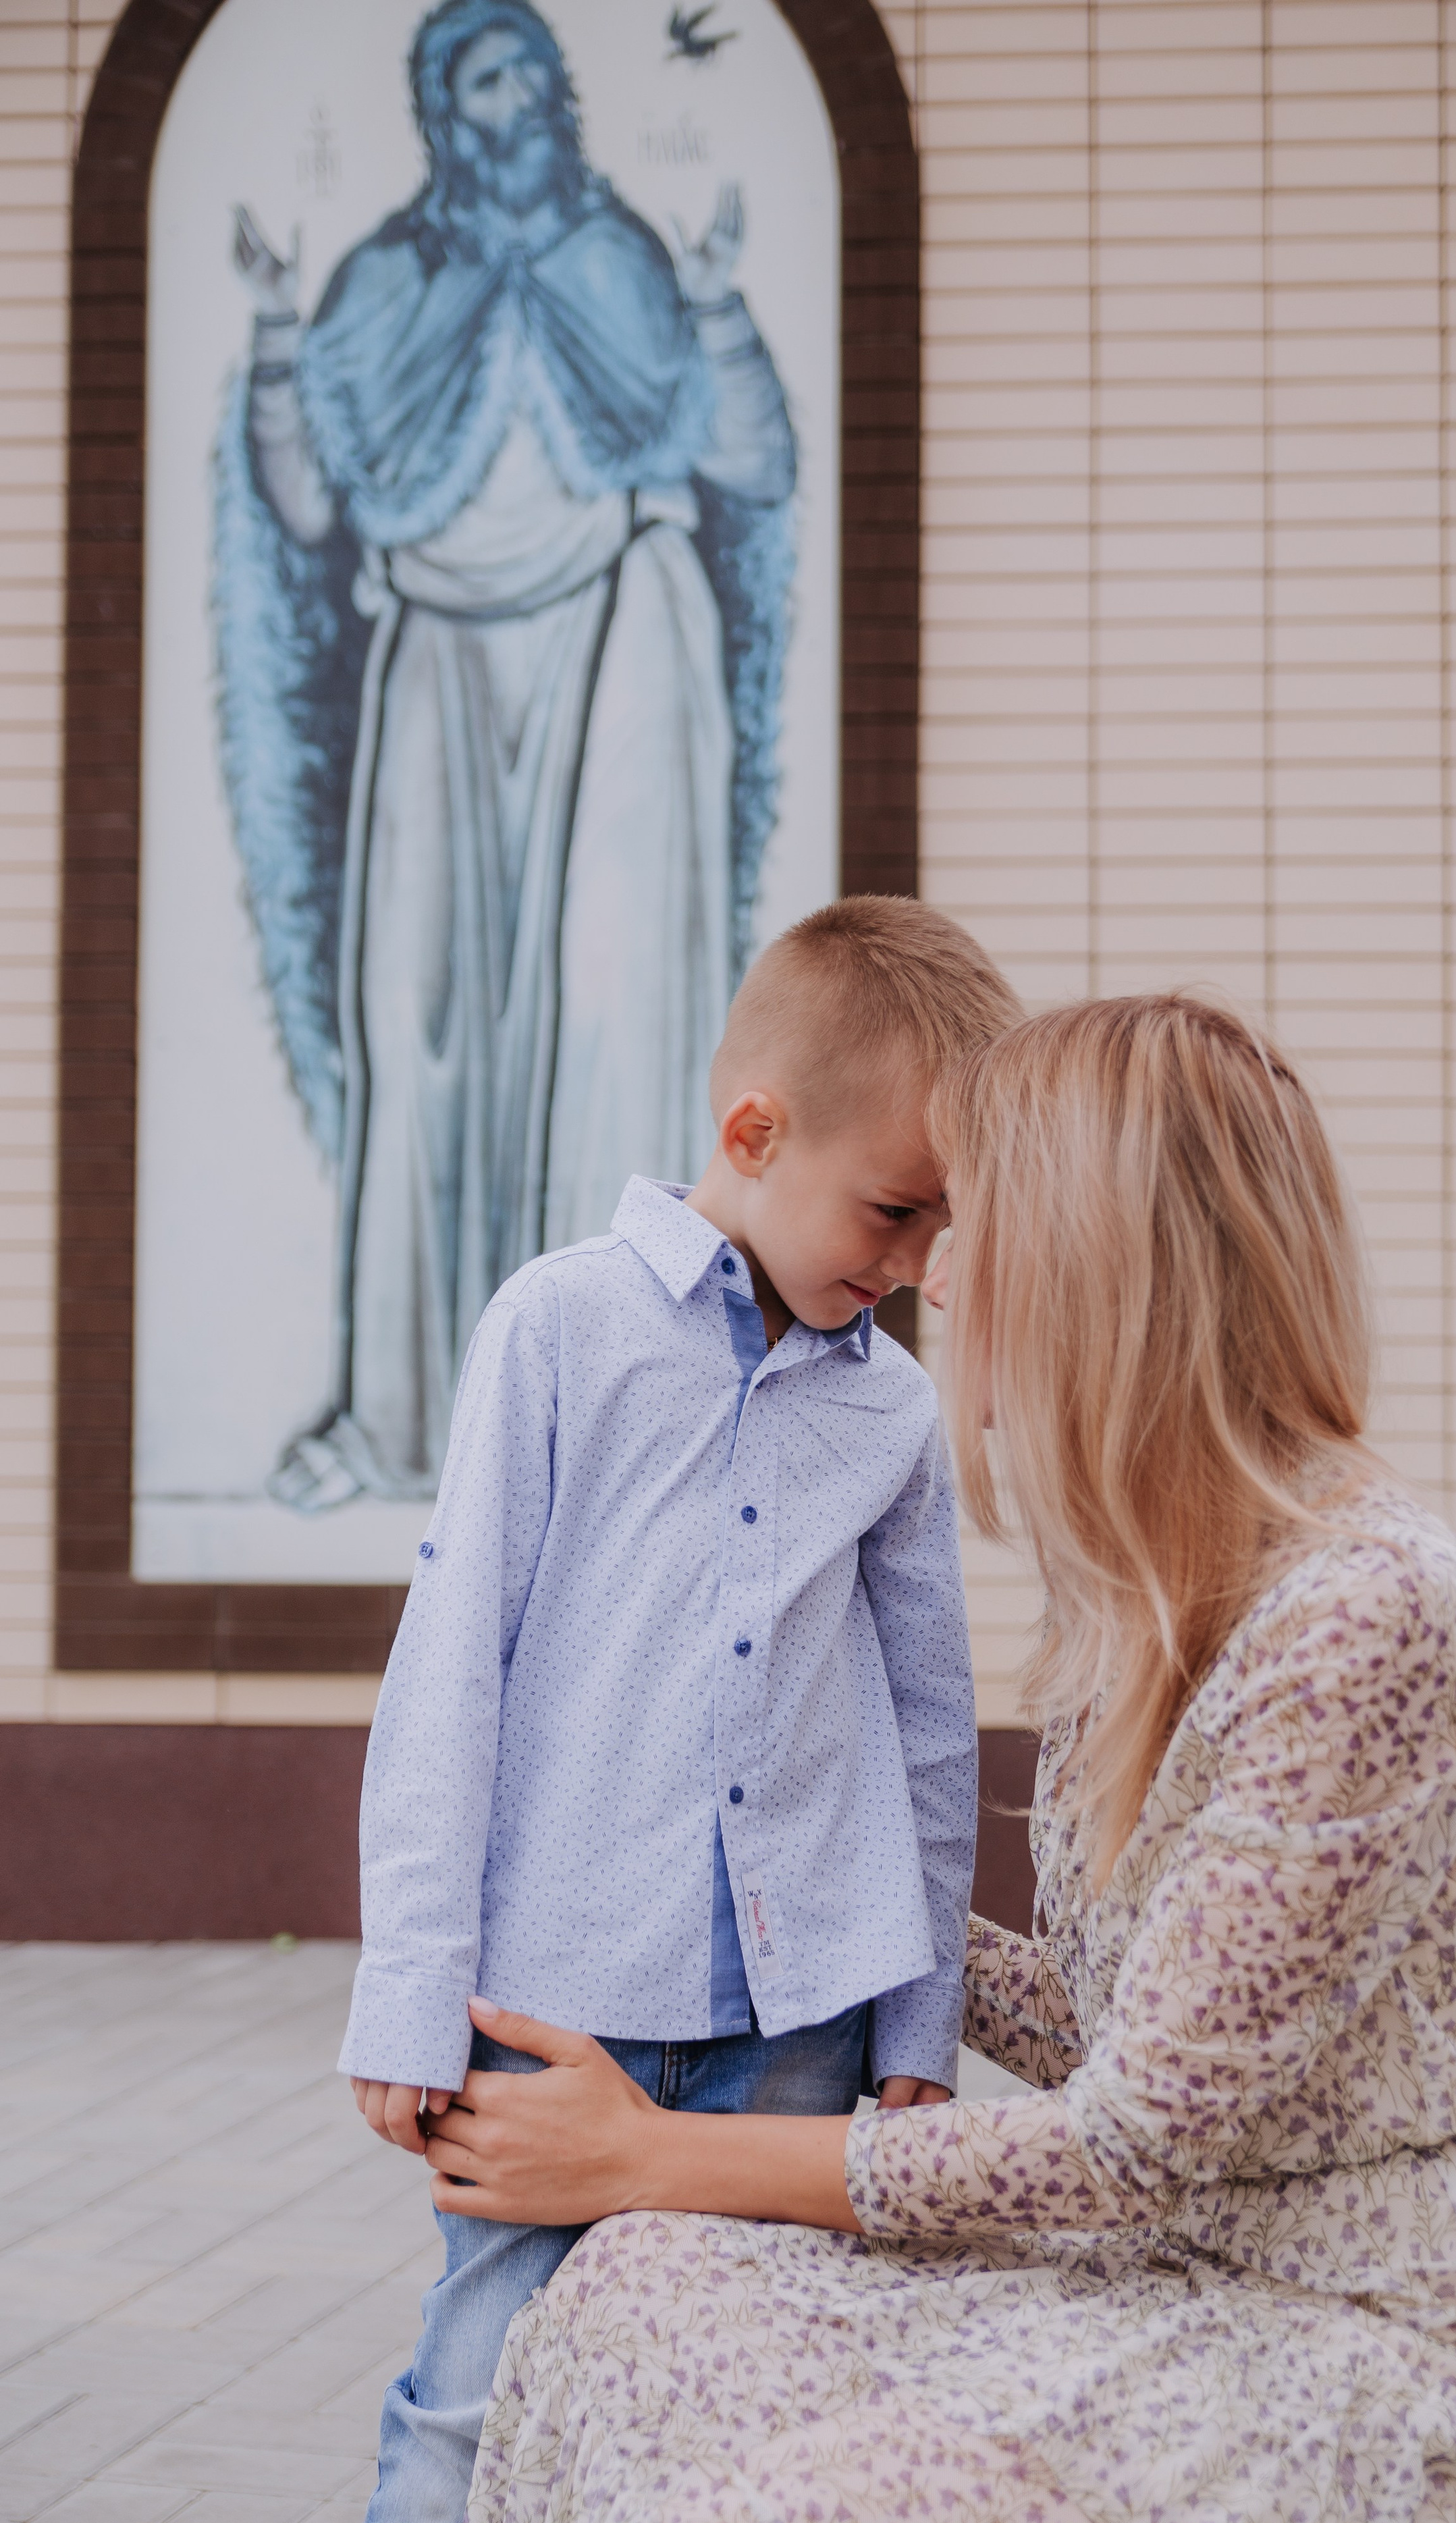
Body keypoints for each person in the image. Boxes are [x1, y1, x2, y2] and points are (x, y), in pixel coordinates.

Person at [424, 993, 1456, 2523]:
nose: (927, 1275)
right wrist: (756, 1864)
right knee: (627, 2299)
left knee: (757, 2521)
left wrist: (647, 2148)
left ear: (1093, 1279)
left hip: (1408, 2360)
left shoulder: (1369, 1619)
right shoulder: (1144, 1609)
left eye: (970, 1226)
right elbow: (1142, 2029)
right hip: (1195, 2270)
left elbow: (1130, 2142)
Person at [337, 896, 1022, 2523]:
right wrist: (410, 1987)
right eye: (894, 1208)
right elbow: (452, 1673)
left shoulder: (888, 1413)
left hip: (799, 2031)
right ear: (751, 1132)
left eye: (943, 1226)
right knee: (472, 2421)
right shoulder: (558, 1331)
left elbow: (933, 1737)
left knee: (745, 2433)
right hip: (552, 2000)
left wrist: (920, 2011)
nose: (919, 1262)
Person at [218, 0, 797, 1508]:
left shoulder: (623, 264)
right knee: (421, 1029)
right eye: (488, 83)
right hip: (438, 671)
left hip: (615, 653)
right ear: (440, 111)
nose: (522, 108)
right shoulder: (388, 280)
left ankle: (618, 1427)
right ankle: (407, 1419)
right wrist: (278, 335)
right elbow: (301, 501)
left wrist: (721, 304)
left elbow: (750, 459)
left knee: (606, 1032)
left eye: (539, 83)